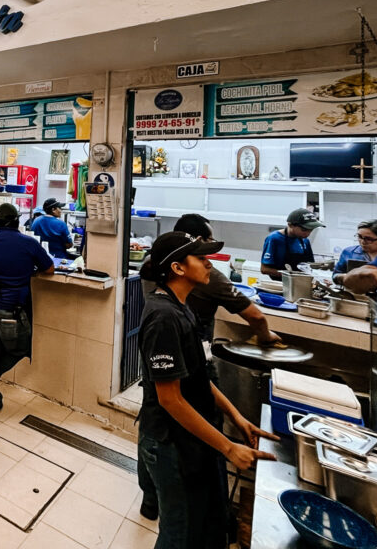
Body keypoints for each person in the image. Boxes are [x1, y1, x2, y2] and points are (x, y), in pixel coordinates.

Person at [137, 232, 276, 547]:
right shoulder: (163, 318)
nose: (209, 265)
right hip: (169, 442)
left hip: (187, 438)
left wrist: (235, 415)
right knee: (180, 532)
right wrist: (228, 447)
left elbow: (197, 377)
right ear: (178, 268)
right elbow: (170, 400)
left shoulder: (181, 306)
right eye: (200, 258)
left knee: (195, 525)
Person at [0, 202, 54, 420]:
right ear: (18, 222)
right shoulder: (28, 243)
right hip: (10, 311)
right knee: (19, 349)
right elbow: (49, 268)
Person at [172, 213, 281, 349]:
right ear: (200, 240)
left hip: (159, 344)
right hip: (193, 348)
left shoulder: (154, 262)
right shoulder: (206, 275)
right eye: (210, 240)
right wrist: (266, 336)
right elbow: (256, 317)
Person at [260, 208, 324, 280]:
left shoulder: (305, 241)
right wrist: (291, 275)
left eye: (311, 230)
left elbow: (309, 266)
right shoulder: (274, 239)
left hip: (300, 283)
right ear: (290, 225)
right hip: (280, 285)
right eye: (304, 230)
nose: (308, 234)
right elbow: (264, 269)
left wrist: (320, 274)